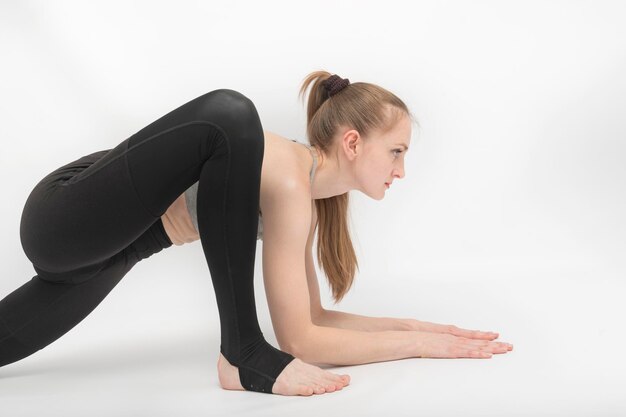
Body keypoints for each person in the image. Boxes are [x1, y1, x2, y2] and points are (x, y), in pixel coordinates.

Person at [0, 70, 513, 396]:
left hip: (110, 251)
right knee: (231, 112)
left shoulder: (306, 201)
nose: (401, 170)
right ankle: (240, 351)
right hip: (67, 211)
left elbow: (310, 322)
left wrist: (417, 330)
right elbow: (300, 342)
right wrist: (417, 348)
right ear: (354, 143)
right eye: (397, 151)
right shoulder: (289, 176)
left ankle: (240, 352)